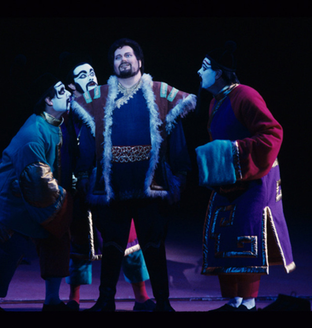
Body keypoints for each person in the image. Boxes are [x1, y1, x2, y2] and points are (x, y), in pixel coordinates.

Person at [72, 38, 196, 312]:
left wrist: (181, 172)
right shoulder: (98, 96)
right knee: (113, 246)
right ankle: (106, 300)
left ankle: (163, 303)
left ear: (140, 62)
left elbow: (176, 135)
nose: (123, 60)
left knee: (153, 246)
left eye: (128, 55)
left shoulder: (160, 91)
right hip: (113, 186)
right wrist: (83, 174)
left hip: (151, 187)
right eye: (117, 57)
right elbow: (87, 139)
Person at [195, 41, 295, 311]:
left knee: (246, 236)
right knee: (222, 236)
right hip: (228, 180)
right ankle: (234, 300)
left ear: (218, 73)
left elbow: (272, 133)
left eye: (204, 68)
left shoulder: (246, 95)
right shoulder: (216, 102)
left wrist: (230, 152)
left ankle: (249, 302)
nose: (198, 72)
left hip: (253, 178)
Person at [60, 52, 154, 311]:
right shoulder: (66, 115)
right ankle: (74, 299)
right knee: (79, 244)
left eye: (91, 72)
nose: (90, 78)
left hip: (112, 186)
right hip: (80, 189)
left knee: (129, 243)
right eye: (82, 75)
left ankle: (142, 297)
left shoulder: (109, 101)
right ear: (71, 86)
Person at [0, 73, 74, 311]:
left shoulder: (59, 125)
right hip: (10, 205)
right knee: (7, 254)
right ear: (49, 101)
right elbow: (37, 183)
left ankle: (52, 300)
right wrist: (66, 205)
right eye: (62, 91)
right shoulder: (33, 134)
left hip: (40, 197)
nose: (69, 94)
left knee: (57, 241)